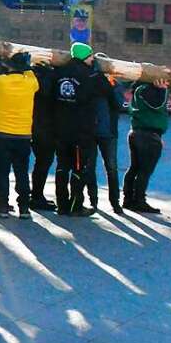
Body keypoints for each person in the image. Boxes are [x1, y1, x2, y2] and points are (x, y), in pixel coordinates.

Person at [53, 42, 113, 216]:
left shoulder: (59, 73)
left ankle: (62, 204)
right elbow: (108, 92)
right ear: (83, 57)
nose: (92, 58)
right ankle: (75, 205)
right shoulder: (90, 75)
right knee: (79, 169)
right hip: (81, 131)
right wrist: (99, 72)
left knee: (62, 167)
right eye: (90, 55)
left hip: (61, 128)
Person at [0, 52, 42, 218]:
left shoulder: (1, 81)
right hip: (22, 134)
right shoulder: (30, 82)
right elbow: (33, 78)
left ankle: (1, 206)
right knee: (22, 172)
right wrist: (27, 67)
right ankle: (24, 208)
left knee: (2, 172)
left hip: (0, 133)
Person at [123, 78, 169, 213]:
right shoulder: (146, 89)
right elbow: (156, 104)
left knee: (135, 168)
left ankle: (128, 199)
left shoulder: (139, 90)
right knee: (144, 170)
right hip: (148, 135)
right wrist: (161, 89)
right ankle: (139, 201)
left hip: (138, 132)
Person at [90, 74, 124, 213]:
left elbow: (118, 104)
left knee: (111, 167)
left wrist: (110, 88)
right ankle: (93, 200)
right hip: (92, 131)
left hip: (108, 132)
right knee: (90, 167)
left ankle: (114, 201)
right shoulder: (90, 82)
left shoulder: (115, 86)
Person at [29, 62, 58, 211]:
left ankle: (33, 195)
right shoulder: (52, 78)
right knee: (43, 163)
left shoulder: (30, 77)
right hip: (46, 127)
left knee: (27, 164)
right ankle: (36, 196)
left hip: (31, 124)